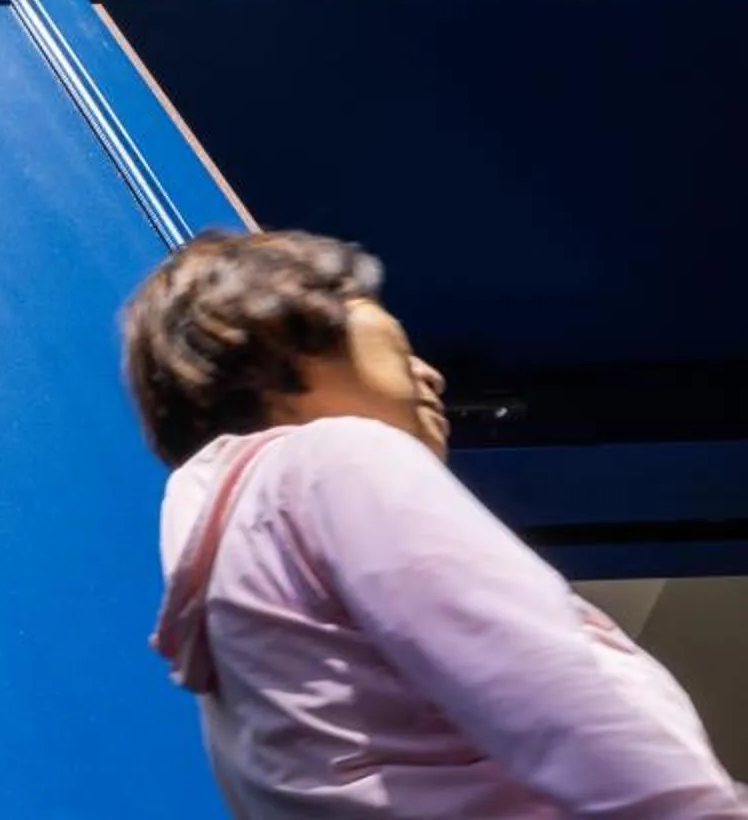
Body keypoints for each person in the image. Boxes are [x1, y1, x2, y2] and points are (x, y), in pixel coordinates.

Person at [124, 228, 746, 819]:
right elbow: (531, 673)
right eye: (399, 343)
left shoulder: (229, 585)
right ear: (283, 340)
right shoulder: (338, 459)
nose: (430, 373)